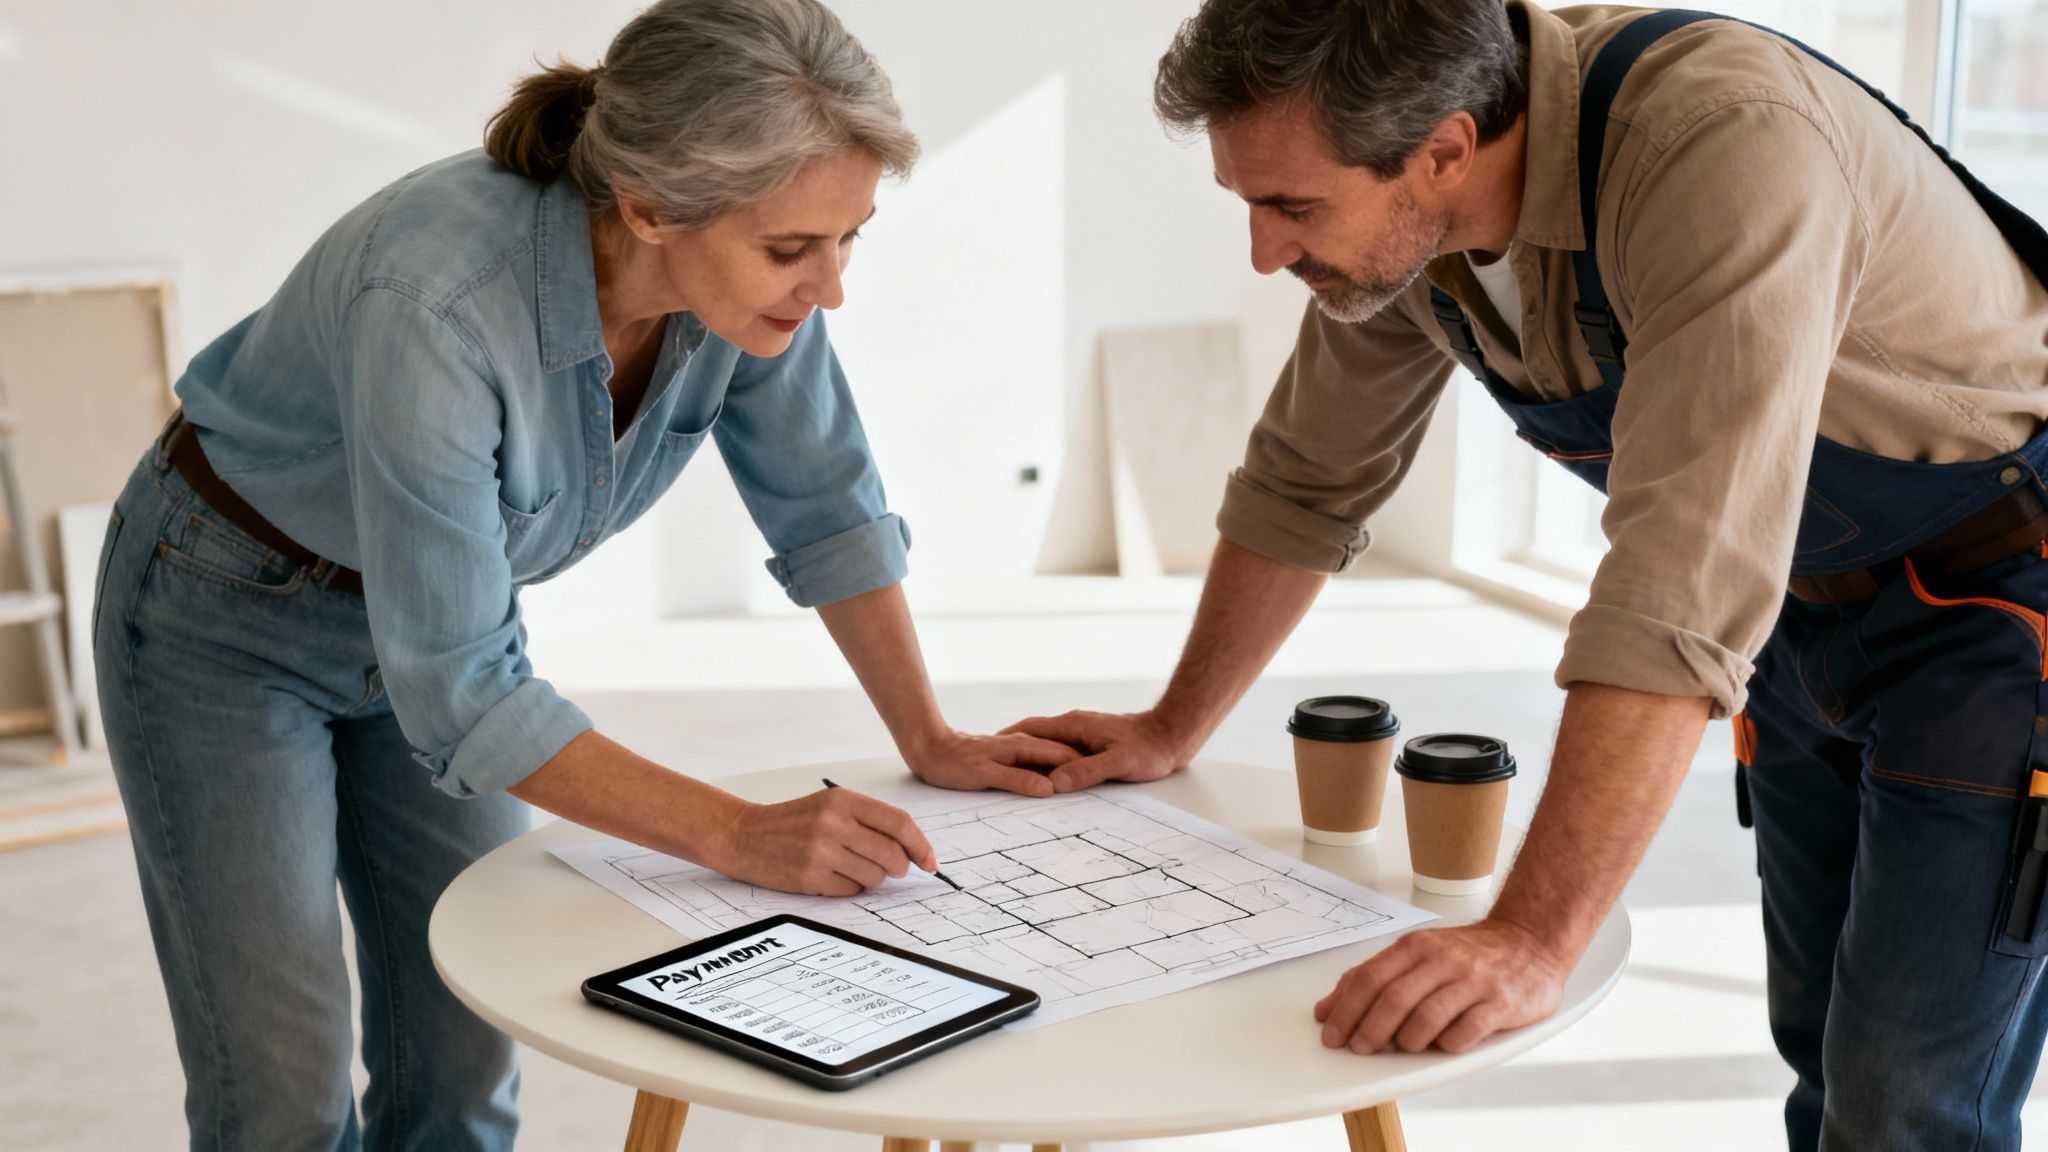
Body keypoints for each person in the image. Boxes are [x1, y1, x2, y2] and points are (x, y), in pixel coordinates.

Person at [1008, 2, 2048, 1148]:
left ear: (1443, 149)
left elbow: (1677, 587)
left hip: (2001, 610)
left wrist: (1530, 937)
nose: (1263, 251)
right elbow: (1305, 480)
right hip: (1793, 607)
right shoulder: (1408, 227)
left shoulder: (1719, 145)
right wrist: (1170, 727)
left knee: (1905, 1106)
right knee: (1822, 1053)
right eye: (1246, 201)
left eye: (1291, 207)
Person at [92, 1, 1075, 1148]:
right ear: (647, 207)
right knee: (283, 1088)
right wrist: (735, 832)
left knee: (465, 1046)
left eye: (848, 237)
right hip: (222, 613)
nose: (830, 286)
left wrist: (928, 736)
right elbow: (467, 697)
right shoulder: (433, 299)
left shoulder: (741, 285)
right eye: (790, 249)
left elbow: (826, 507)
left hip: (436, 624)